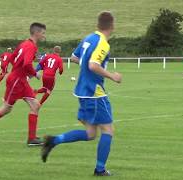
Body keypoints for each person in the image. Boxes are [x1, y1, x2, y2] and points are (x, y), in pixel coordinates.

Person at [41, 12, 122, 176]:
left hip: (82, 90)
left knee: (91, 134)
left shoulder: (88, 38)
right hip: (95, 93)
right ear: (112, 26)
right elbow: (93, 65)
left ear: (98, 24)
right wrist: (112, 75)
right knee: (108, 130)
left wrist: (88, 67)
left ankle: (53, 141)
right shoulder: (103, 43)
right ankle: (100, 169)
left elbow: (74, 57)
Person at [0, 22, 46, 146]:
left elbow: (12, 58)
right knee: (6, 108)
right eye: (43, 33)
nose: (44, 36)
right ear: (37, 33)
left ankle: (32, 139)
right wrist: (35, 74)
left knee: (35, 105)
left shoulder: (24, 44)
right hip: (17, 81)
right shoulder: (31, 46)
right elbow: (27, 64)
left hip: (20, 79)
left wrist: (20, 70)